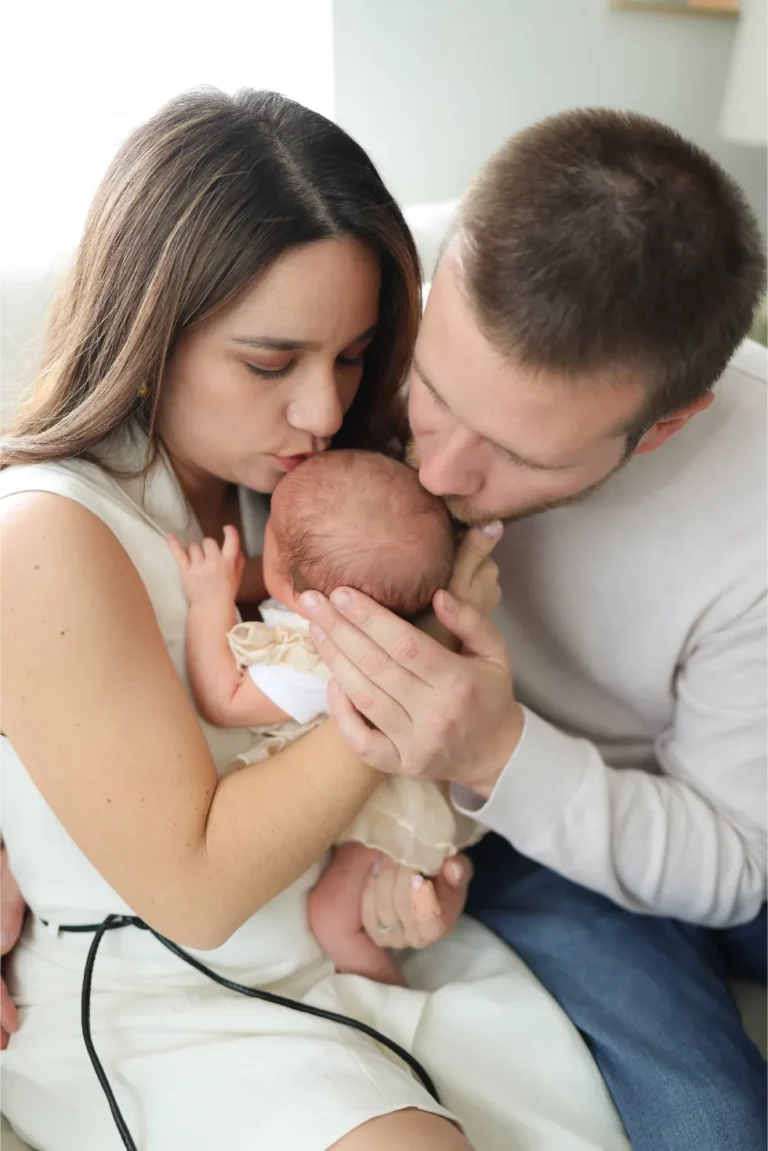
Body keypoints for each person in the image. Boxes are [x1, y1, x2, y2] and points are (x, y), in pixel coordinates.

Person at [0, 90, 629, 1151]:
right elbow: (198, 890)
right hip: (159, 998)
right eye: (269, 362)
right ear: (148, 328)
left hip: (336, 952)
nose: (324, 411)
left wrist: (408, 875)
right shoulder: (48, 534)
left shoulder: (321, 491)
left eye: (351, 355)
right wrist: (408, 668)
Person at [291, 110, 768, 1151]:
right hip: (510, 840)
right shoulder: (363, 302)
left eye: (519, 454)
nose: (438, 470)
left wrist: (496, 749)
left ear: (667, 424)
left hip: (663, 800)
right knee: (717, 1129)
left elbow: (736, 858)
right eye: (434, 393)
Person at [168, 448, 490, 987]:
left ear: (301, 594)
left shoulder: (318, 661)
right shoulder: (368, 619)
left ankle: (390, 999)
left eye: (268, 535)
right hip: (383, 795)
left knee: (331, 916)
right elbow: (273, 582)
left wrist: (208, 603)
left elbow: (225, 702)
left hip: (386, 818)